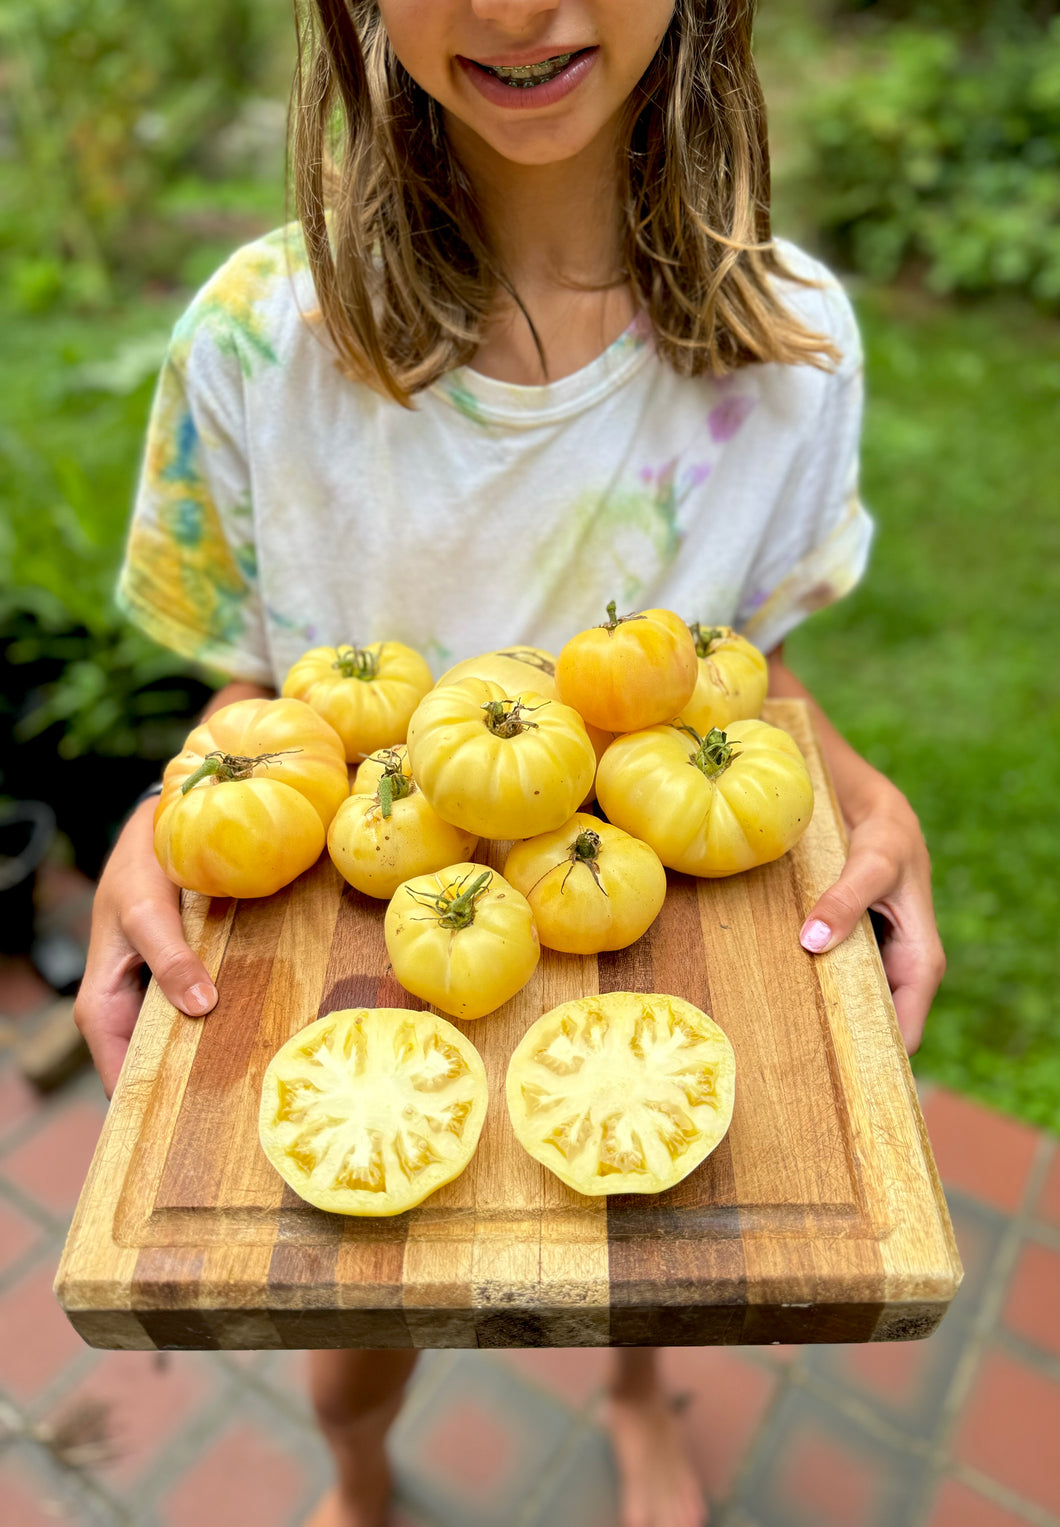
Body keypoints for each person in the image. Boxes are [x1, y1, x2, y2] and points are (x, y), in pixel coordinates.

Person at [74, 3, 946, 1525]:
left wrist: (868, 796)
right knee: (350, 1340)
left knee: (645, 1253)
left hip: (642, 955)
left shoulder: (790, 348)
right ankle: (358, 1472)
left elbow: (744, 673)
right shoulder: (256, 338)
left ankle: (631, 1395)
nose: (514, 7)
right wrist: (176, 804)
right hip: (359, 965)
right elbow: (258, 683)